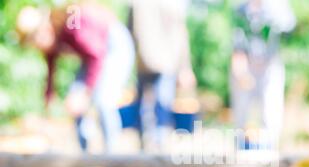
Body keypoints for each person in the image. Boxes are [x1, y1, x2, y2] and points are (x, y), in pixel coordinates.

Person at [16, 2, 135, 153]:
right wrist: (46, 108)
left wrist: (86, 93)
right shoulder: (52, 39)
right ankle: (83, 152)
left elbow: (96, 54)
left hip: (113, 45)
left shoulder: (73, 26)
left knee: (103, 99)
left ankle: (112, 152)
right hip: (92, 56)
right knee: (74, 98)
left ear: (44, 29)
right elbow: (51, 74)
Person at [129, 0, 196, 150]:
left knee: (162, 105)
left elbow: (180, 34)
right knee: (152, 106)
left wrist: (184, 67)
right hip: (150, 61)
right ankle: (148, 146)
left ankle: (158, 145)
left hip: (161, 61)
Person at [230, 0, 296, 150]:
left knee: (270, 113)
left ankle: (269, 154)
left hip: (270, 64)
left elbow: (289, 28)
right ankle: (242, 154)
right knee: (242, 115)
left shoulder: (278, 6)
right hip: (246, 62)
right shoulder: (241, 8)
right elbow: (237, 40)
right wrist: (240, 68)